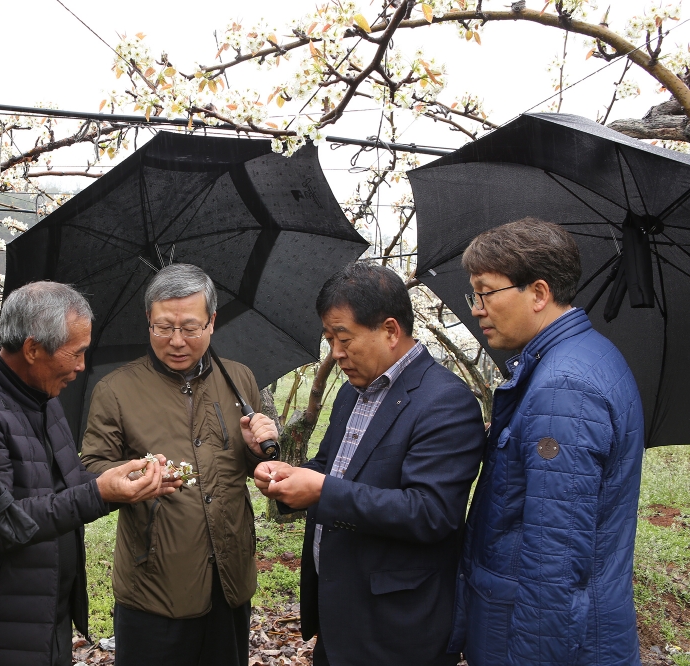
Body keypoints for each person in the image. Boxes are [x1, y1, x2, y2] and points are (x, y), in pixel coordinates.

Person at [254, 261, 486, 666]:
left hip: (396, 630)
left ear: (391, 330)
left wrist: (323, 491)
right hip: (339, 614)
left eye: (344, 338)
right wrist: (290, 476)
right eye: (329, 339)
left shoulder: (445, 402)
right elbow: (329, 465)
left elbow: (431, 513)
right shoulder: (351, 394)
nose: (336, 354)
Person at [0, 281, 179, 665]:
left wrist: (125, 479)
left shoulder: (44, 397)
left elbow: (63, 489)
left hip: (45, 617)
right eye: (76, 354)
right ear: (33, 349)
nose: (81, 367)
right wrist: (101, 493)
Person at [448, 218, 644, 665]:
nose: (477, 308)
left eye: (485, 291)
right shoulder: (585, 357)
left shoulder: (564, 388)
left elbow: (554, 560)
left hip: (533, 638)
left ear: (538, 293)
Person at [80, 263, 280, 666]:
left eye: (189, 328)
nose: (175, 341)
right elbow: (93, 468)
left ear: (211, 322)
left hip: (229, 579)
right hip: (154, 585)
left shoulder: (239, 379)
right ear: (148, 321)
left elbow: (242, 468)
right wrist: (136, 477)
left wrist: (257, 449)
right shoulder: (116, 391)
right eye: (162, 327)